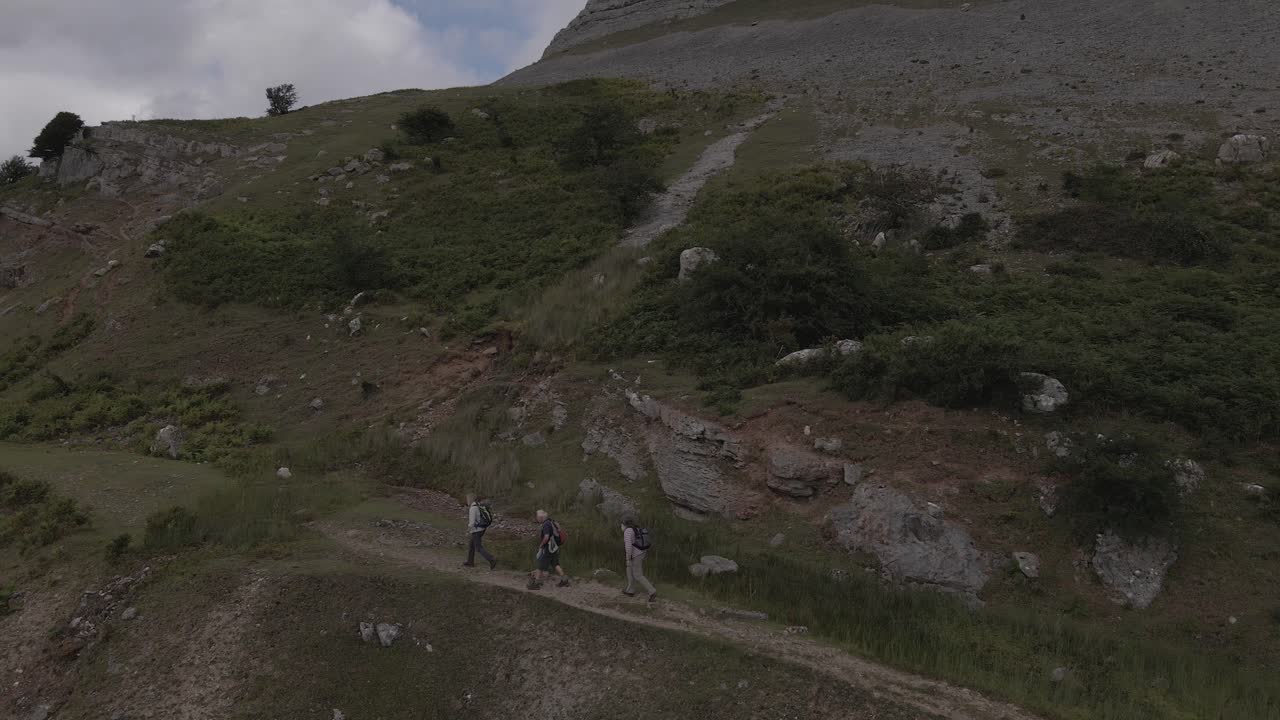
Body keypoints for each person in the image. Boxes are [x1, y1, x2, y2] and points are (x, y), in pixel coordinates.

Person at [528, 509, 569, 589]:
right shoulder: (551, 521)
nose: (537, 519)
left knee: (540, 565)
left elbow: (546, 537)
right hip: (554, 547)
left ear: (541, 518)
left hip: (548, 548)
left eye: (537, 517)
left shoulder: (546, 524)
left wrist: (541, 545)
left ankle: (536, 584)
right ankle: (565, 580)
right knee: (555, 564)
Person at [622, 517, 657, 602]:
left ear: (624, 525)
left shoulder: (627, 531)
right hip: (641, 552)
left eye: (621, 525)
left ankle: (652, 591)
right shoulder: (636, 528)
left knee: (638, 574)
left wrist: (628, 558)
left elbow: (628, 546)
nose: (621, 527)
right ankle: (630, 590)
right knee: (629, 570)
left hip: (635, 555)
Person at [463, 493, 497, 570]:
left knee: (478, 547)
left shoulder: (472, 508)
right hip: (482, 529)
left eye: (467, 499)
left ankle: (491, 559)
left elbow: (471, 523)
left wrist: (467, 531)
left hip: (476, 530)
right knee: (471, 545)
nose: (467, 501)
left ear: (470, 500)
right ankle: (470, 562)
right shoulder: (478, 505)